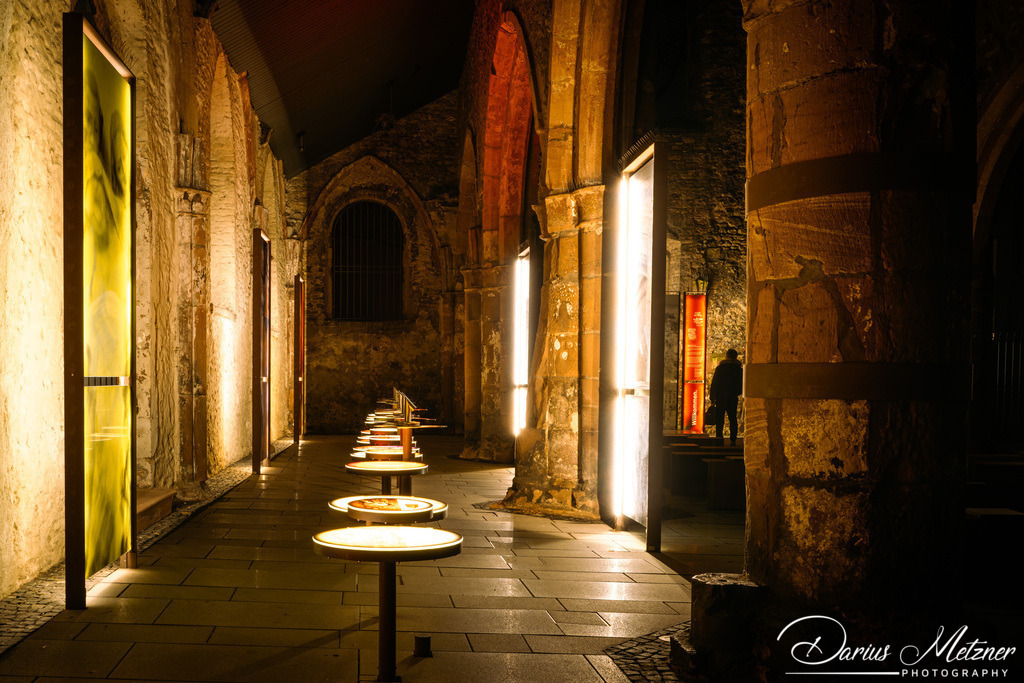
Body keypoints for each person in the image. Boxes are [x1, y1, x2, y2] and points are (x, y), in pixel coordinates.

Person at [709, 349, 743, 446]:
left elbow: (715, 383)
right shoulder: (739, 370)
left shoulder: (720, 368)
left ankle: (719, 437)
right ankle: (733, 439)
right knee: (733, 418)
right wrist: (736, 393)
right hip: (732, 397)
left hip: (721, 396)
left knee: (720, 418)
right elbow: (741, 385)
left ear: (726, 356)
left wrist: (713, 396)